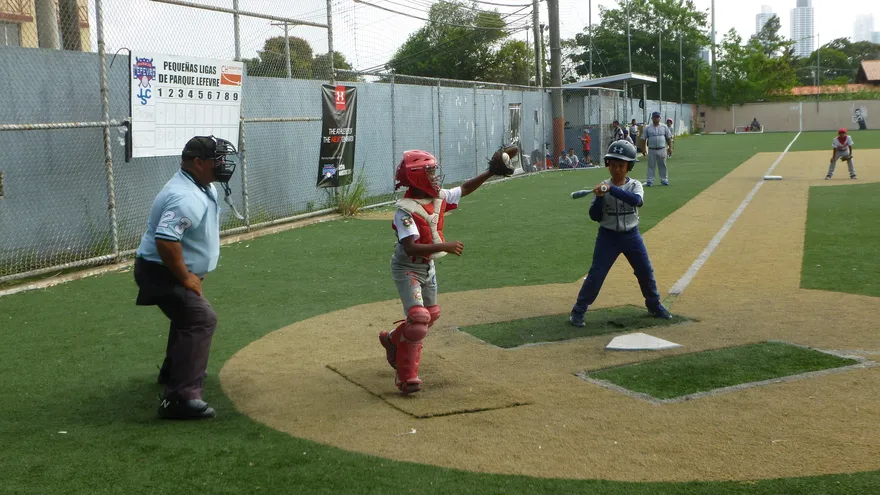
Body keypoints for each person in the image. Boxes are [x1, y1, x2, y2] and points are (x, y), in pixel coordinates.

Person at [379, 151, 503, 394]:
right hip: (408, 268)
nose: (435, 177)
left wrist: (491, 172)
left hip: (427, 267)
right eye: (429, 172)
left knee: (431, 314)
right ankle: (406, 377)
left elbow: (464, 189)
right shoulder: (405, 211)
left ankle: (393, 339)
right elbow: (411, 246)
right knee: (418, 320)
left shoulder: (437, 198)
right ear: (416, 178)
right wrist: (444, 246)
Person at [134, 135, 239, 420]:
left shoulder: (200, 185)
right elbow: (167, 240)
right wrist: (184, 277)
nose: (223, 164)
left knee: (187, 316)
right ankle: (180, 398)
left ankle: (173, 372)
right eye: (217, 159)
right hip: (161, 272)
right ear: (197, 162)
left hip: (167, 270)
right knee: (200, 318)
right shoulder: (186, 195)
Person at [569, 140, 672, 328]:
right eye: (613, 165)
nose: (617, 169)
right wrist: (600, 199)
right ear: (608, 165)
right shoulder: (602, 187)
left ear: (629, 167)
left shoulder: (635, 186)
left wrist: (612, 190)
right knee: (596, 274)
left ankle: (654, 304)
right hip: (608, 237)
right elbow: (595, 216)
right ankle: (578, 310)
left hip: (631, 236)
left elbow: (636, 201)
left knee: (645, 271)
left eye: (621, 165)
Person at [641, 111, 673, 186]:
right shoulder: (648, 128)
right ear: (652, 118)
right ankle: (650, 180)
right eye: (654, 117)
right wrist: (643, 148)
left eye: (657, 117)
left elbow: (669, 138)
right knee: (651, 165)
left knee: (663, 165)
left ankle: (664, 179)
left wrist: (670, 148)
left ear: (660, 118)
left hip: (662, 149)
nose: (656, 118)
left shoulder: (664, 127)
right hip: (652, 149)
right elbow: (643, 139)